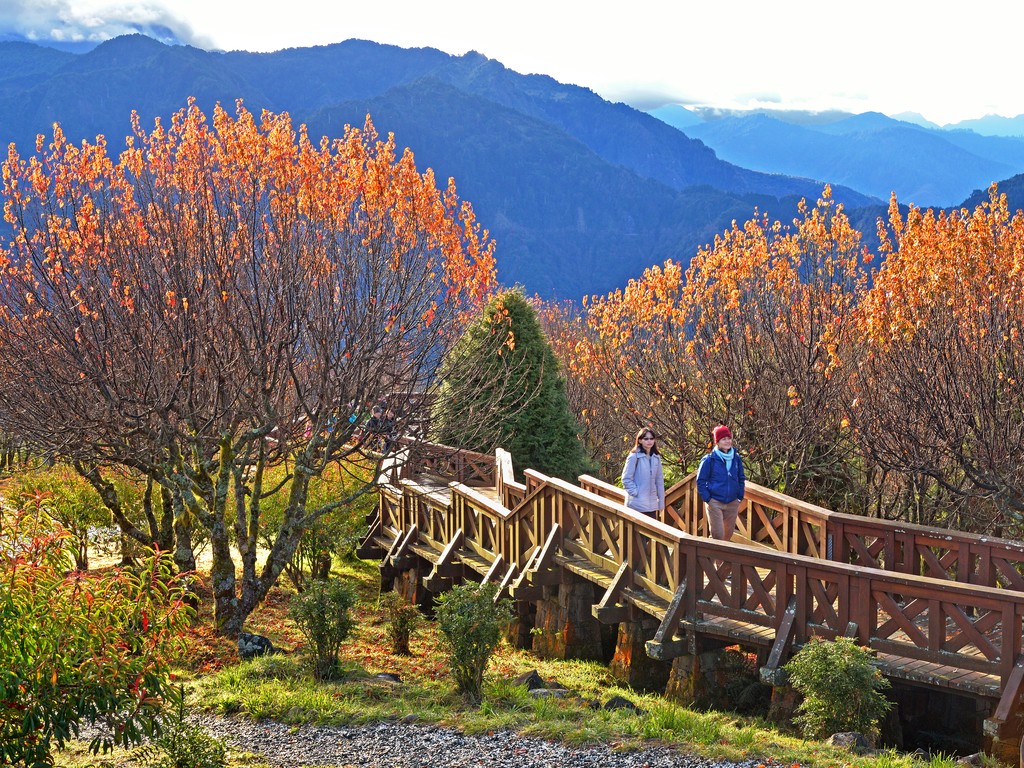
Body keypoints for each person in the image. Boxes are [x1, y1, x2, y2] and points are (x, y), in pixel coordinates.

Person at [696, 424, 745, 541]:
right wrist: (708, 499)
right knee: (717, 535)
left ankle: (720, 560)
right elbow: (700, 481)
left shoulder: (736, 458)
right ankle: (713, 559)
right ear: (717, 442)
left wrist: (739, 496)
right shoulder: (709, 459)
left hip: (732, 502)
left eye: (729, 438)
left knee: (728, 535)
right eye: (724, 439)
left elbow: (741, 478)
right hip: (715, 501)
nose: (727, 441)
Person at [621, 428, 665, 516]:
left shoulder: (656, 457)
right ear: (640, 440)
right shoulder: (634, 456)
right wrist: (636, 492)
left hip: (652, 506)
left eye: (651, 438)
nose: (649, 441)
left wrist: (661, 502)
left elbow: (659, 480)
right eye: (646, 439)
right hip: (636, 505)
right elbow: (626, 479)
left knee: (651, 529)